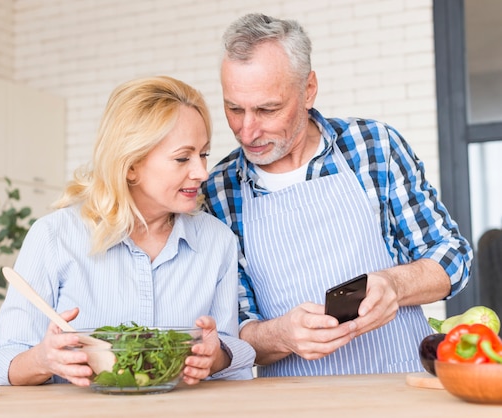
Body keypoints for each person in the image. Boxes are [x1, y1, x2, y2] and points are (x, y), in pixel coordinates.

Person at [201, 13, 473, 377]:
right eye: (234, 108)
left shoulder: (373, 146)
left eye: (268, 109)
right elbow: (236, 331)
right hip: (296, 400)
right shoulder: (218, 189)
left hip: (401, 384)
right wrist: (280, 334)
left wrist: (395, 285)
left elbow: (452, 257)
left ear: (308, 89)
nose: (246, 130)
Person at [0, 75, 255, 386]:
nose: (202, 172)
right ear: (131, 164)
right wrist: (43, 359)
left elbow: (232, 366)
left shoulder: (217, 241)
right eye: (182, 158)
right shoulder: (54, 237)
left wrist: (216, 357)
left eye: (203, 154)